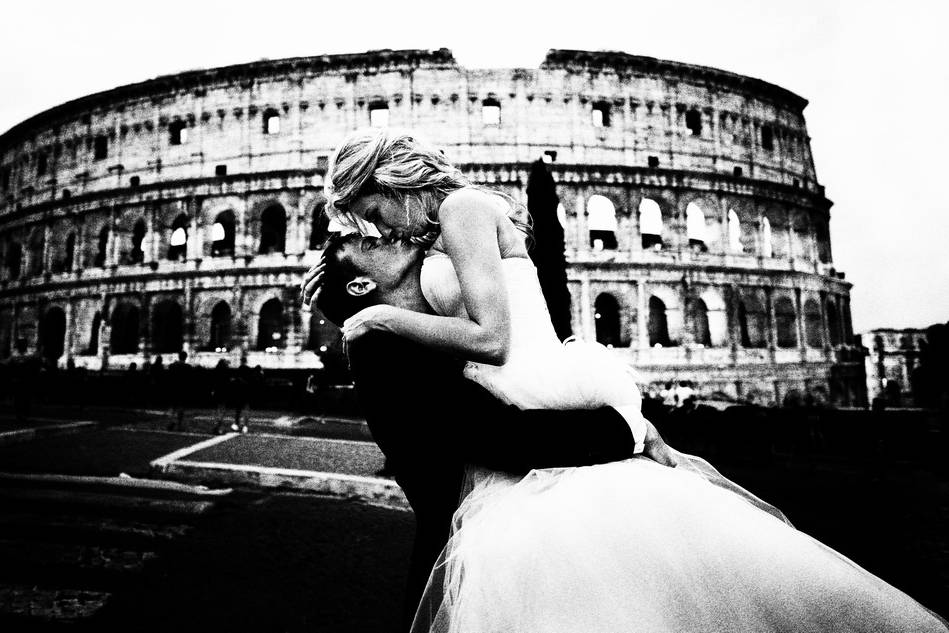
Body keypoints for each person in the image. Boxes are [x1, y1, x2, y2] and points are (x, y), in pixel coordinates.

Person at [304, 129, 948, 632]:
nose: (374, 226)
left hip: (525, 381)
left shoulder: (464, 209)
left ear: (386, 179)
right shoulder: (430, 240)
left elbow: (494, 340)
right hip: (512, 392)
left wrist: (377, 318)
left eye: (368, 208)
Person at [307, 232, 677, 629]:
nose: (390, 235)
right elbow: (506, 437)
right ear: (361, 285)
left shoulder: (407, 336)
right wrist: (630, 428)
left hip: (489, 548)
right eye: (371, 245)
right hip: (472, 568)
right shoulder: (385, 350)